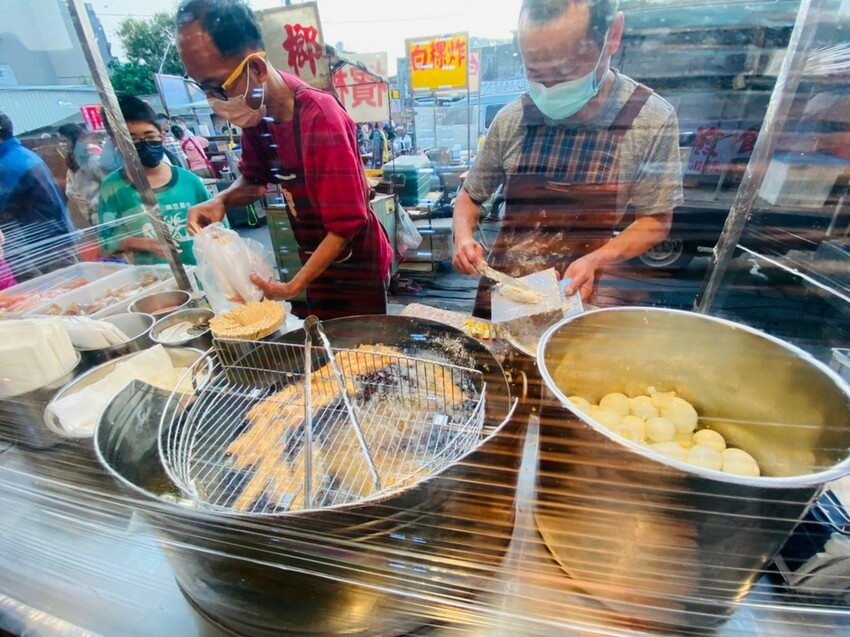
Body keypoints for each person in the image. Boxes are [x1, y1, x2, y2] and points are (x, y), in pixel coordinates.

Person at [453, 0, 683, 315]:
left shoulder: (649, 119)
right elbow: (470, 195)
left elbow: (656, 220)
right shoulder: (512, 119)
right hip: (503, 301)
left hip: (577, 300)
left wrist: (596, 259)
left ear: (612, 35)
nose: (550, 87)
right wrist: (463, 238)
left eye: (566, 70)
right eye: (534, 71)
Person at [177, 0, 392, 320]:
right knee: (327, 344)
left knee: (369, 355)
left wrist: (294, 286)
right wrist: (221, 200)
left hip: (356, 267)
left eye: (218, 87)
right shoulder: (256, 115)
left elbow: (346, 224)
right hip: (316, 262)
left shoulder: (321, 116)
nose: (215, 101)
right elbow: (253, 182)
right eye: (204, 89)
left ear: (258, 69)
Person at [97, 96, 212, 266]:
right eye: (132, 139)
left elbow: (217, 226)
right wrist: (146, 244)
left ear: (161, 135)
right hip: (157, 281)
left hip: (203, 274)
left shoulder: (190, 181)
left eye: (149, 135)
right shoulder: (113, 187)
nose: (143, 144)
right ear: (116, 141)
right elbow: (106, 241)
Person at [0, 112, 78, 280]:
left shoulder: (6, 165)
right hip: (54, 238)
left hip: (43, 246)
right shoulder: (20, 154)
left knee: (60, 294)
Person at [57, 123, 105, 228]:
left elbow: (108, 183)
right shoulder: (71, 159)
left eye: (65, 141)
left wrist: (96, 203)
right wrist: (72, 195)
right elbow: (69, 181)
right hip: (89, 214)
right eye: (60, 141)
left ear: (74, 139)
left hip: (103, 213)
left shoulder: (93, 159)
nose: (62, 145)